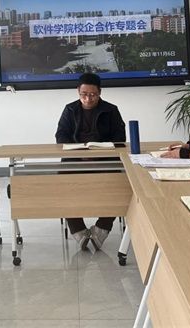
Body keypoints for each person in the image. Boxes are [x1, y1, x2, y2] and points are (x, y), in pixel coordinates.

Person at [55, 72, 126, 251]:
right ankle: (78, 230)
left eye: (92, 95)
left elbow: (120, 137)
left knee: (119, 186)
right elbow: (61, 135)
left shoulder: (111, 110)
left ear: (100, 92)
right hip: (75, 160)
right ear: (78, 92)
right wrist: (78, 151)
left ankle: (102, 229)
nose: (88, 99)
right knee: (62, 185)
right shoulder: (70, 109)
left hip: (104, 160)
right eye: (84, 94)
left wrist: (100, 150)